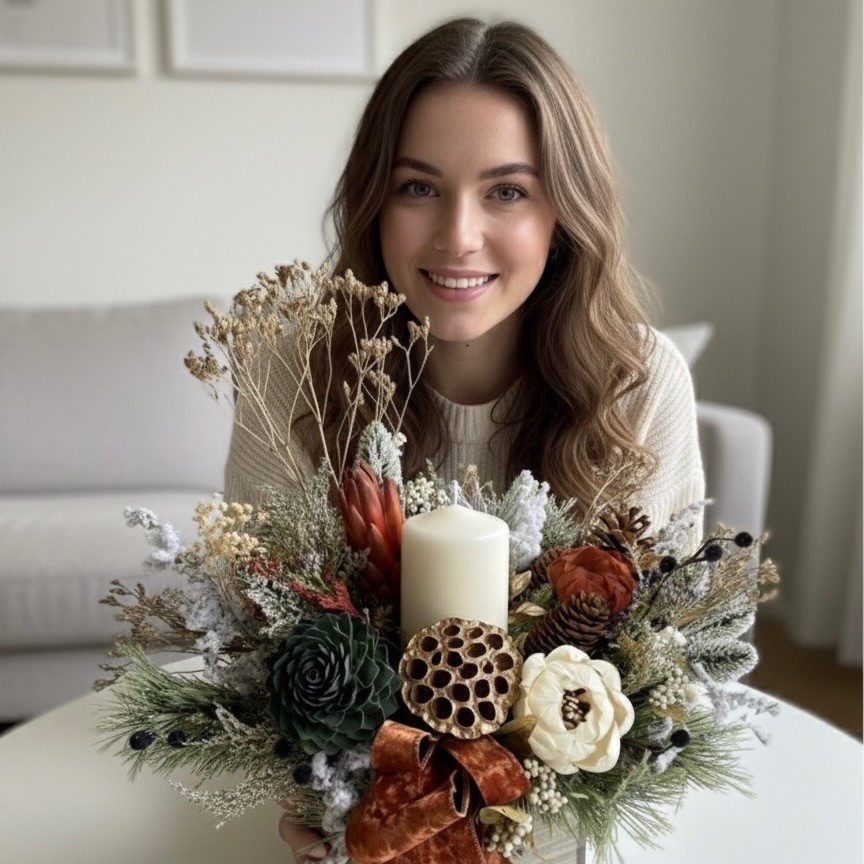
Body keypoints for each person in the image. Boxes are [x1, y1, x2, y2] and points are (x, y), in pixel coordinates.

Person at [224, 16, 704, 864]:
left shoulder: (638, 386)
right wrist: (312, 794)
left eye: (507, 192)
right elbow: (250, 646)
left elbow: (668, 675)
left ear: (566, 211)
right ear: (374, 202)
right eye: (418, 187)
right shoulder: (292, 374)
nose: (457, 235)